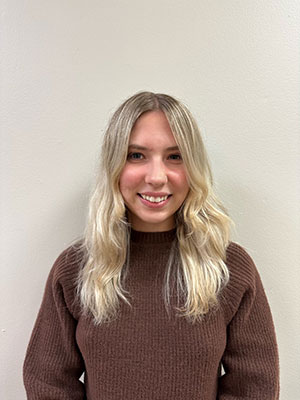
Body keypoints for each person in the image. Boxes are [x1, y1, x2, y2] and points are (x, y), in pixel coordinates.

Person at [23, 91, 279, 399]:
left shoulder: (228, 267)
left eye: (174, 157)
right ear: (114, 166)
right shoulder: (77, 267)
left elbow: (255, 386)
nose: (156, 177)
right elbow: (47, 381)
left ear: (193, 167)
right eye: (136, 155)